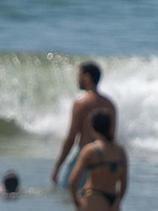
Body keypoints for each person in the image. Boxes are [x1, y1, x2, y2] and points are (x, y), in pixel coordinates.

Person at [49, 61, 116, 192]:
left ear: (87, 77)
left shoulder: (81, 104)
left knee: (66, 191)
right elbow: (112, 136)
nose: (77, 79)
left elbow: (71, 138)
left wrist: (57, 166)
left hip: (84, 155)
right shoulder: (110, 105)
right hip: (105, 157)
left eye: (79, 75)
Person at [65, 110, 128, 211]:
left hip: (93, 200)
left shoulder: (90, 150)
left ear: (92, 126)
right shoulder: (120, 151)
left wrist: (77, 204)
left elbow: (73, 181)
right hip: (113, 204)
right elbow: (124, 184)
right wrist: (117, 203)